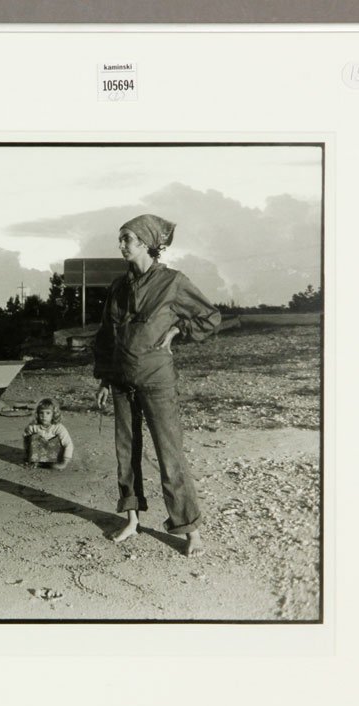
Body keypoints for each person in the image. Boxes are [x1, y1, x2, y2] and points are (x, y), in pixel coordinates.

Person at [92, 214, 220, 556]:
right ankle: (132, 520)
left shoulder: (173, 282)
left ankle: (190, 530)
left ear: (147, 243)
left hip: (157, 381)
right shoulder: (118, 288)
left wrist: (178, 330)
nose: (121, 245)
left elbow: (210, 317)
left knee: (169, 454)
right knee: (126, 453)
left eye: (127, 239)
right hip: (121, 381)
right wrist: (105, 378)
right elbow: (106, 337)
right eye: (120, 239)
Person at [23, 398, 73, 470]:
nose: (44, 416)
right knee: (33, 437)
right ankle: (36, 461)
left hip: (55, 457)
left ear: (54, 414)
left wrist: (65, 462)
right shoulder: (33, 427)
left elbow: (68, 444)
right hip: (38, 455)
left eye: (48, 413)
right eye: (41, 413)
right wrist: (27, 454)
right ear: (37, 414)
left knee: (58, 440)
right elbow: (26, 439)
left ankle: (52, 463)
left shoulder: (59, 427)